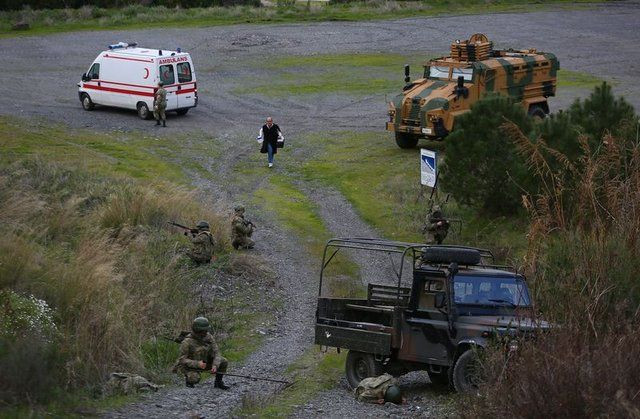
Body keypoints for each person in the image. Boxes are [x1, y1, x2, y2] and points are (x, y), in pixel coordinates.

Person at [173, 317, 229, 389]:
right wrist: (197, 364)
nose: (206, 332)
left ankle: (218, 382)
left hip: (204, 362)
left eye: (206, 330)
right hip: (190, 367)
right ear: (197, 330)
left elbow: (216, 352)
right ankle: (188, 379)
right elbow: (182, 360)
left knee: (223, 361)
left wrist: (215, 365)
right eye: (204, 331)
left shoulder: (208, 337)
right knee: (194, 378)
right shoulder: (187, 342)